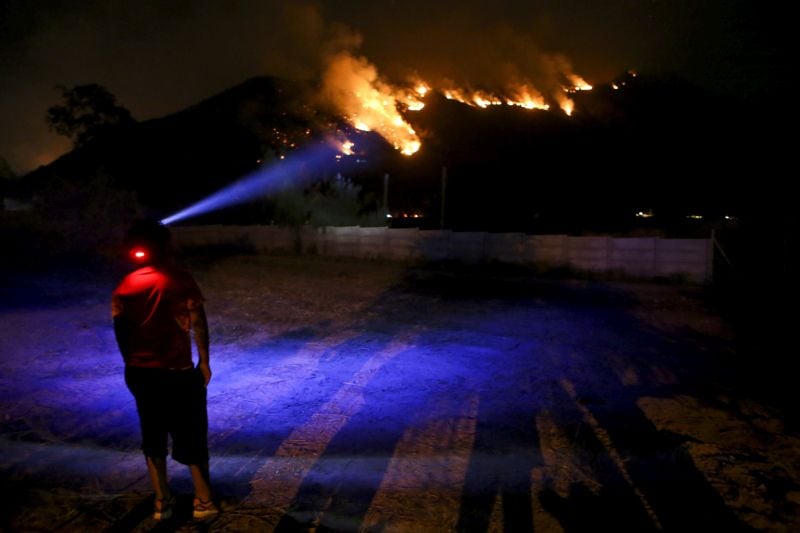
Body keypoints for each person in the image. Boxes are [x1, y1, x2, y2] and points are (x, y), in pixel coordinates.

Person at [112, 219, 218, 520]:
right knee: (191, 433)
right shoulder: (180, 280)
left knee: (152, 432)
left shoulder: (124, 287)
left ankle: (162, 501)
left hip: (140, 373)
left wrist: (131, 364)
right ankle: (203, 500)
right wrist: (205, 360)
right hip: (178, 372)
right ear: (165, 245)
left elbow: (120, 330)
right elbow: (197, 320)